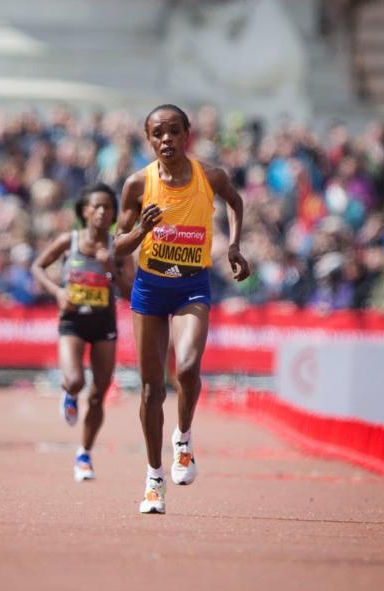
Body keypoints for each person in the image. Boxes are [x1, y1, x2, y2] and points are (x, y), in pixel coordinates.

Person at [115, 104, 250, 514]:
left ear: (187, 135)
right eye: (158, 133)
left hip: (191, 285)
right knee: (152, 388)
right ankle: (154, 477)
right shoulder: (137, 185)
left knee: (188, 367)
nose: (167, 140)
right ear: (149, 139)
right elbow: (116, 245)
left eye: (175, 131)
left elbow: (236, 201)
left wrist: (234, 245)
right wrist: (142, 231)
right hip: (151, 289)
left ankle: (184, 437)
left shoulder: (209, 176)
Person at [32, 183, 134, 481]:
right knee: (75, 381)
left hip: (104, 323)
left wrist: (110, 270)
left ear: (115, 213)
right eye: (97, 206)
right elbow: (38, 266)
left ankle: (84, 455)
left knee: (98, 395)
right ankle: (69, 394)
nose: (103, 212)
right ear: (85, 211)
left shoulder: (119, 248)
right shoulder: (70, 240)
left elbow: (129, 291)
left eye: (108, 207)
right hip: (73, 322)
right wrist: (57, 293)